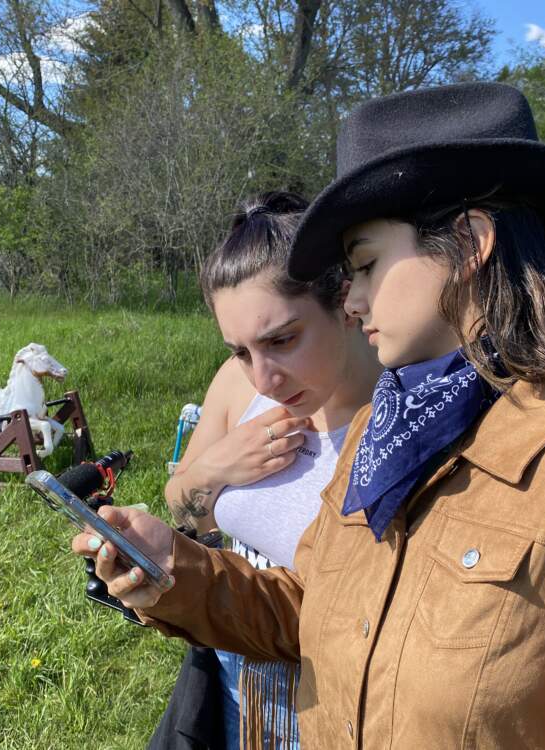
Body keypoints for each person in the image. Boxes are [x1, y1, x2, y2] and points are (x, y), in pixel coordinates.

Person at [73, 82, 545, 748]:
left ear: (468, 244)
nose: (349, 301)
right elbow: (311, 611)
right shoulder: (384, 435)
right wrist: (173, 569)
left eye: (365, 265)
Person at [156, 190, 381, 748]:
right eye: (240, 350)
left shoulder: (398, 419)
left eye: (282, 340)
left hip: (341, 715)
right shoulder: (237, 388)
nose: (264, 379)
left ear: (347, 301)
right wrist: (215, 469)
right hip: (234, 695)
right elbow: (185, 504)